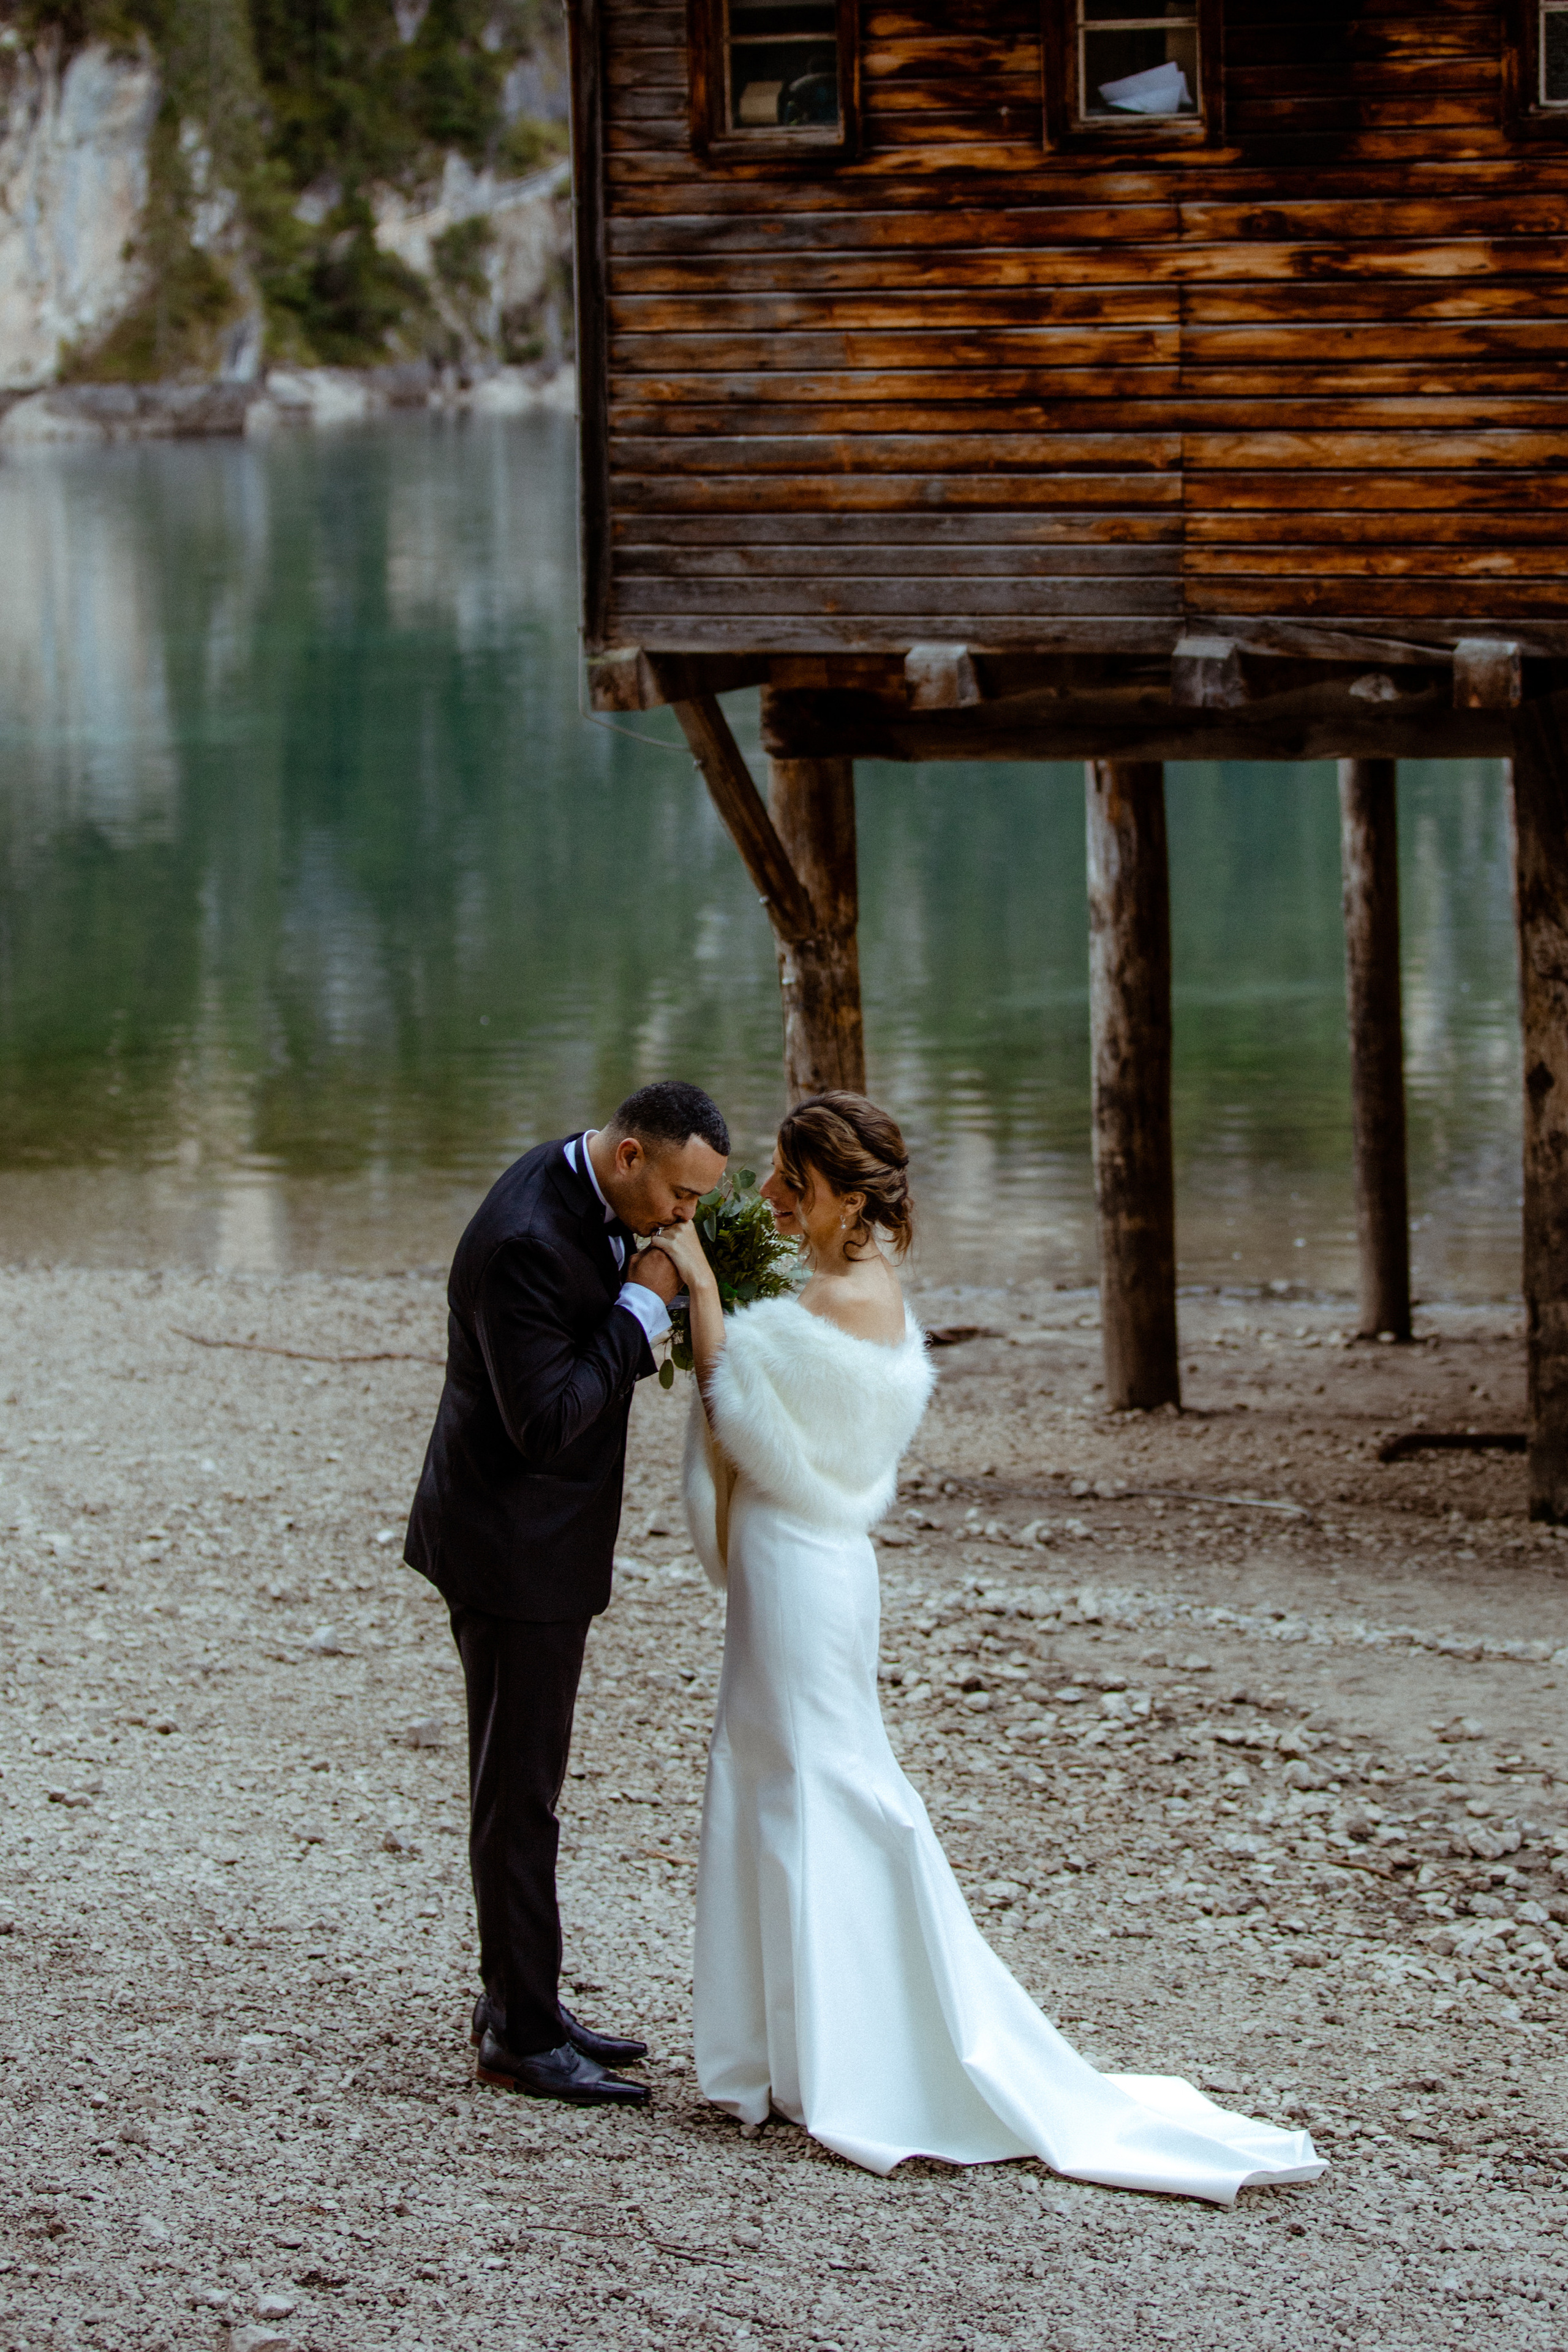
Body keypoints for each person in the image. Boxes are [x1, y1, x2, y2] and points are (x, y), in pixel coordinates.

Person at [649, 1091, 1326, 2200]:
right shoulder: (828, 1286)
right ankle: (780, 2053)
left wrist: (709, 1294)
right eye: (773, 1177)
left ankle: (848, 2058)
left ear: (848, 1199)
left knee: (829, 1788)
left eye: (791, 1183)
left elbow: (740, 1414)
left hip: (804, 1566)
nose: (769, 1196)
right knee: (771, 1775)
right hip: (792, 1558)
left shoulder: (842, 1295)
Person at [403, 1080, 726, 2105]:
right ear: (629, 1155)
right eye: (678, 1195)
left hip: (534, 1539)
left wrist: (648, 1287)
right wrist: (644, 1305)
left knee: (523, 1786)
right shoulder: (526, 1242)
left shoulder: (591, 1187)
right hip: (509, 1549)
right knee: (520, 1795)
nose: (684, 1219)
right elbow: (547, 1420)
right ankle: (521, 2035)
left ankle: (521, 2001)